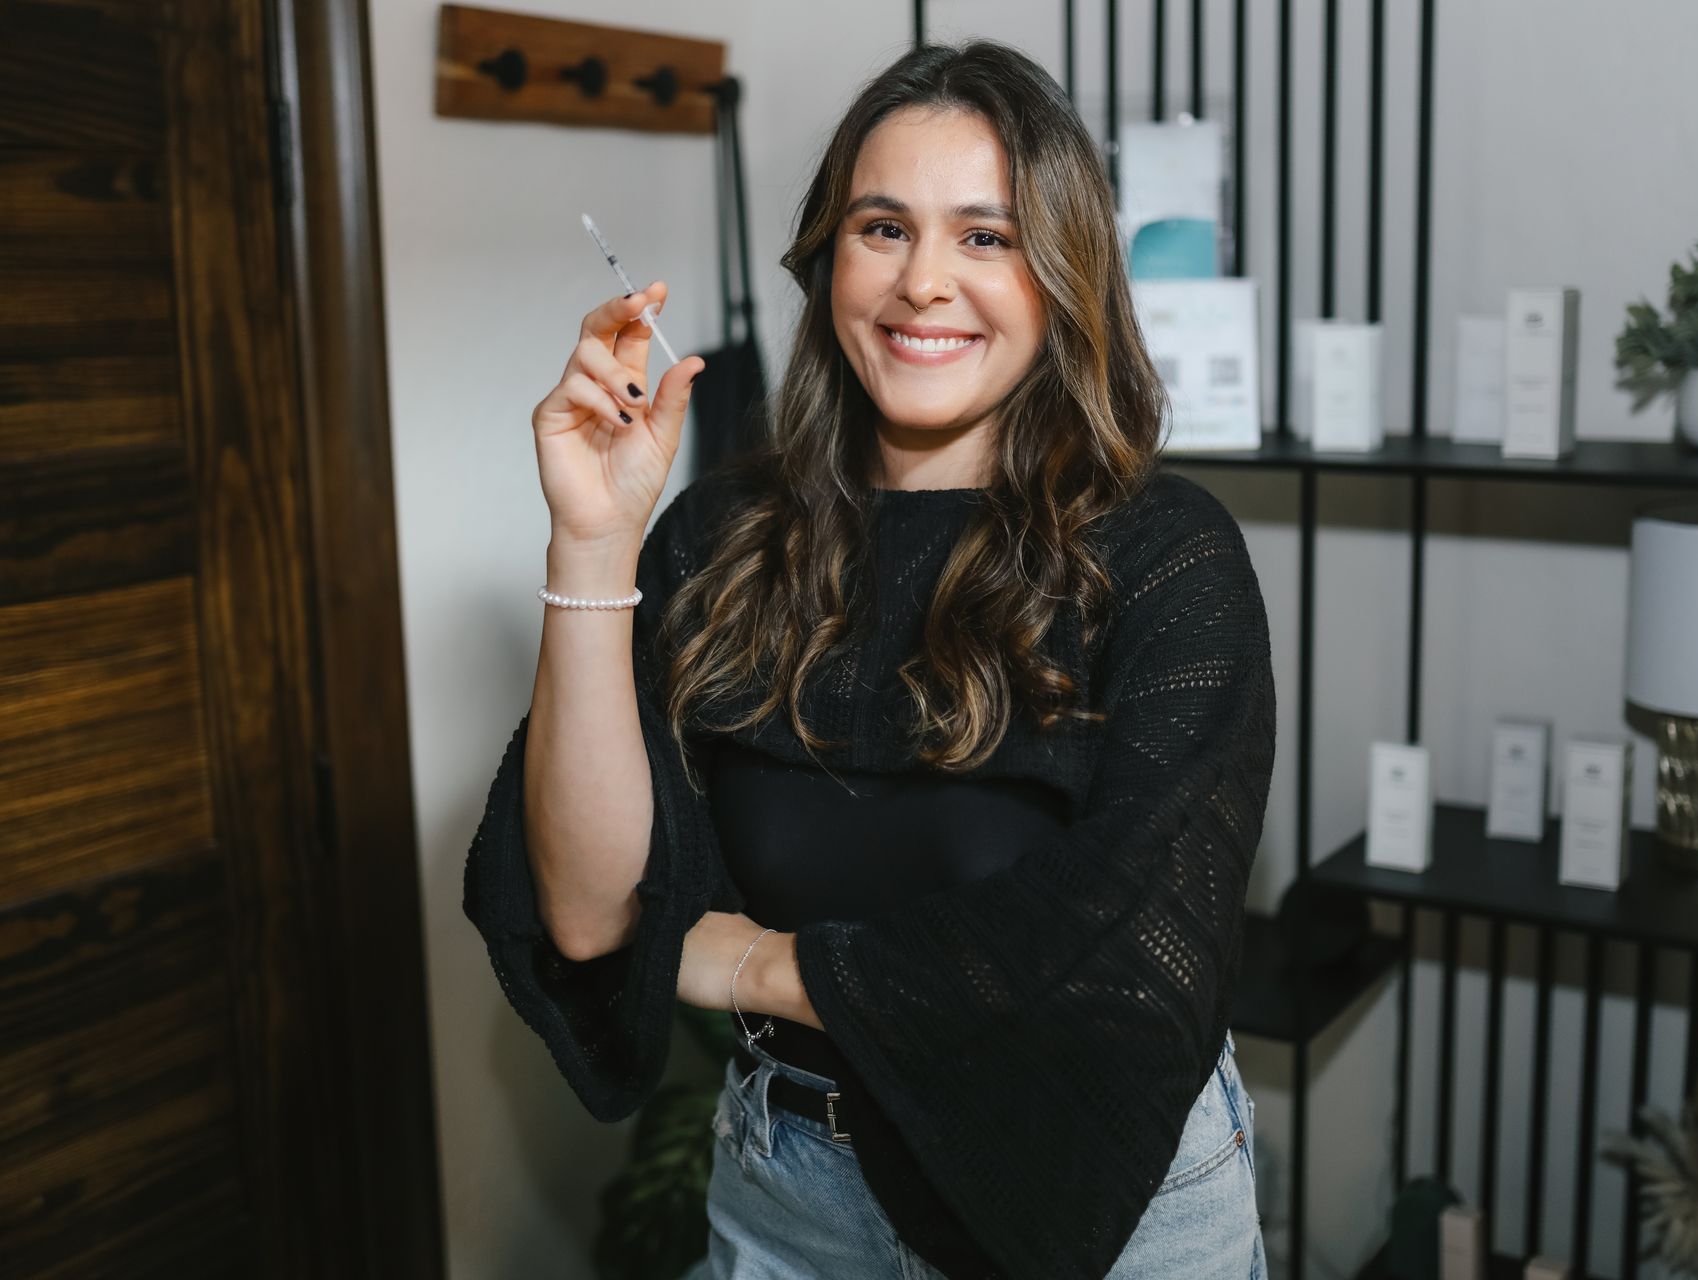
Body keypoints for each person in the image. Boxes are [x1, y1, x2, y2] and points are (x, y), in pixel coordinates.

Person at [463, 38, 1277, 1280]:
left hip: (1104, 1195)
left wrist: (752, 962)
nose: (923, 284)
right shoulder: (721, 543)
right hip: (792, 1191)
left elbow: (1115, 950)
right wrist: (590, 541)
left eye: (986, 237)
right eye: (883, 228)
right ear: (830, 259)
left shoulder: (1163, 558)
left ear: (1062, 276)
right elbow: (588, 912)